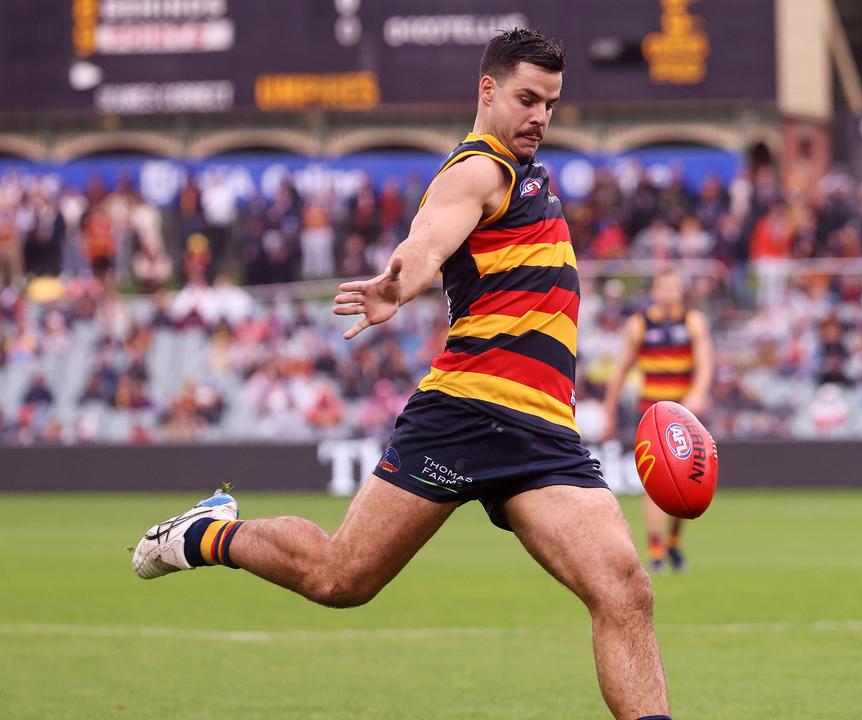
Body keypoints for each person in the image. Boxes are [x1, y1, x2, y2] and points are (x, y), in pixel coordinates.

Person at [131, 29, 672, 720]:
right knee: (339, 579)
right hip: (467, 414)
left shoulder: (529, 173)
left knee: (626, 589)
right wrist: (402, 282)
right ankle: (207, 533)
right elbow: (426, 240)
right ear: (488, 91)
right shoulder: (477, 170)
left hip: (543, 433)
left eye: (550, 104)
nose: (540, 116)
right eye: (527, 99)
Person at [602, 267, 713, 572]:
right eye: (663, 288)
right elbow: (622, 369)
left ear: (681, 292)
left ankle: (674, 542)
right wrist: (609, 410)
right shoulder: (639, 325)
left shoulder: (693, 321)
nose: (668, 293)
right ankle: (656, 549)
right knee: (655, 484)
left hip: (685, 416)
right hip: (651, 416)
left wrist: (698, 394)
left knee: (688, 483)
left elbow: (705, 363)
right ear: (654, 291)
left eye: (673, 288)